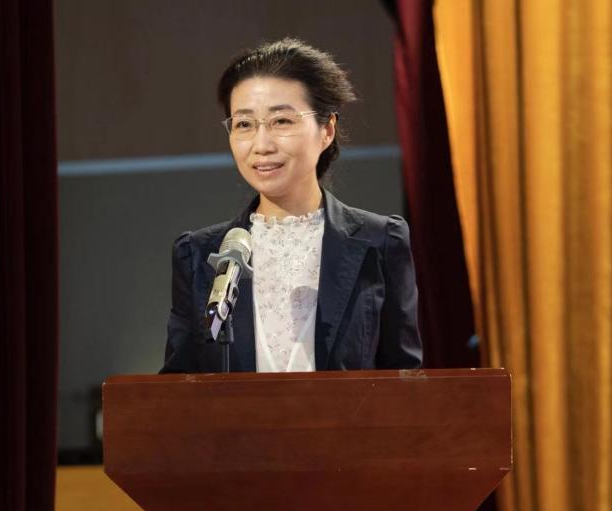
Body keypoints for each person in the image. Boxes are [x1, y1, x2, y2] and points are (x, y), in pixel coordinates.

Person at [160, 38, 422, 373]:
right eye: (244, 124)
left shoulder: (380, 242)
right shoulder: (197, 255)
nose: (262, 144)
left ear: (327, 130)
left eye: (281, 121)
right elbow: (177, 385)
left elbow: (405, 381)